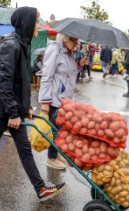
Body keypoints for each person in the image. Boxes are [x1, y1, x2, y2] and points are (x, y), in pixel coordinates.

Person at [0, 7, 67, 202]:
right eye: (37, 22)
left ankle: (40, 189)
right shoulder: (10, 46)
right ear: (27, 23)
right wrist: (13, 113)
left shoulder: (23, 44)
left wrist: (26, 107)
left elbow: (20, 83)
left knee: (24, 149)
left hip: (12, 108)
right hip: (2, 109)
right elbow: (4, 83)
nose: (38, 26)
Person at [39, 33, 88, 170]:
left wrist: (79, 65)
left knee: (61, 130)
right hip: (55, 98)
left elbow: (68, 73)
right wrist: (45, 101)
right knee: (54, 130)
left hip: (65, 99)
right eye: (74, 40)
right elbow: (47, 76)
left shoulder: (67, 52)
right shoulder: (55, 49)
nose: (76, 44)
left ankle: (57, 153)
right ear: (65, 39)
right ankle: (51, 158)